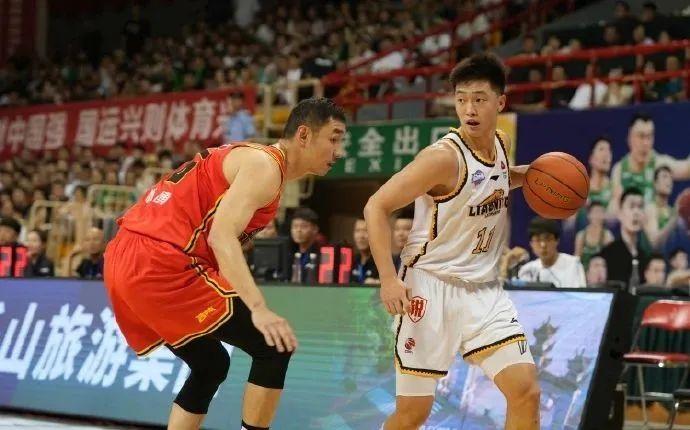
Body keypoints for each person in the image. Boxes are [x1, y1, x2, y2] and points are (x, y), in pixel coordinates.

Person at [104, 97, 346, 430]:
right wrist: (258, 308)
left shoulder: (253, 160)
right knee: (273, 345)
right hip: (160, 260)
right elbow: (221, 237)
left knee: (210, 364)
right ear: (303, 134)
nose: (339, 151)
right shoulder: (265, 166)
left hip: (125, 255)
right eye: (334, 138)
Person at [364, 53, 540, 430]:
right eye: (461, 99)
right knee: (413, 414)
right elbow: (376, 206)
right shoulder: (441, 158)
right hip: (429, 287)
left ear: (500, 102)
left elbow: (491, 180)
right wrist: (388, 279)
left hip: (483, 290)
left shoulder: (502, 143)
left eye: (479, 99)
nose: (469, 109)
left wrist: (528, 177)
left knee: (526, 391)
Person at [608, 113, 690, 214]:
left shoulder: (660, 163)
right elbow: (616, 207)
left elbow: (687, 169)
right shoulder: (619, 169)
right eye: (641, 136)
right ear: (629, 138)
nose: (646, 143)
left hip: (656, 221)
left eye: (649, 136)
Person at [599, 188, 650, 286]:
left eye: (640, 207)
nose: (636, 212)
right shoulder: (608, 254)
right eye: (631, 206)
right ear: (620, 214)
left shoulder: (645, 255)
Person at [519, 217, 587, 288]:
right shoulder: (527, 270)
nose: (543, 245)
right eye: (538, 240)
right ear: (531, 244)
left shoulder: (573, 264)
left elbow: (579, 293)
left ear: (557, 240)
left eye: (547, 239)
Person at [644, 166, 678, 250]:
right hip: (656, 257)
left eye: (671, 178)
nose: (669, 181)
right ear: (655, 184)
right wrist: (673, 221)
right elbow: (654, 244)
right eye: (664, 176)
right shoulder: (650, 208)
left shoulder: (672, 211)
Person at [574, 202, 614, 270]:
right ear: (588, 215)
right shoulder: (581, 235)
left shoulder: (607, 236)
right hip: (583, 271)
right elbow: (577, 258)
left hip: (600, 272)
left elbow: (610, 260)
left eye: (600, 212)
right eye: (595, 212)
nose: (597, 216)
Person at [288, 207, 321, 282]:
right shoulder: (289, 253)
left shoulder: (321, 255)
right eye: (295, 226)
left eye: (304, 226)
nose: (298, 230)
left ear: (315, 229)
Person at [351, 218, 379, 284]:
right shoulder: (351, 261)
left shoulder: (383, 262)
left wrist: (377, 283)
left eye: (366, 230)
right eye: (357, 231)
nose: (361, 236)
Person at [392, 208, 414, 272]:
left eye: (407, 229)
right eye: (397, 229)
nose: (400, 233)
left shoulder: (423, 261)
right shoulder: (392, 260)